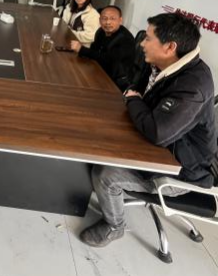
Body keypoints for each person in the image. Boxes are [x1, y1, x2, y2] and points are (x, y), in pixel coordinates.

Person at [80, 12, 217, 247]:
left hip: (183, 170)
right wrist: (134, 97)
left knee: (105, 174)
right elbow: (136, 86)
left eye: (148, 38)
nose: (142, 43)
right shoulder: (160, 62)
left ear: (170, 47)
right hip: (164, 147)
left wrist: (134, 100)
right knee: (98, 140)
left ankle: (115, 226)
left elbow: (157, 132)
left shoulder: (193, 86)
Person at [69, 5, 135, 91]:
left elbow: (109, 60)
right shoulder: (100, 31)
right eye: (104, 18)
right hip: (99, 72)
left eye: (112, 19)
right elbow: (94, 51)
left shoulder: (126, 39)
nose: (108, 22)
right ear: (100, 20)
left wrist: (82, 50)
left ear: (120, 20)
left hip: (116, 83)